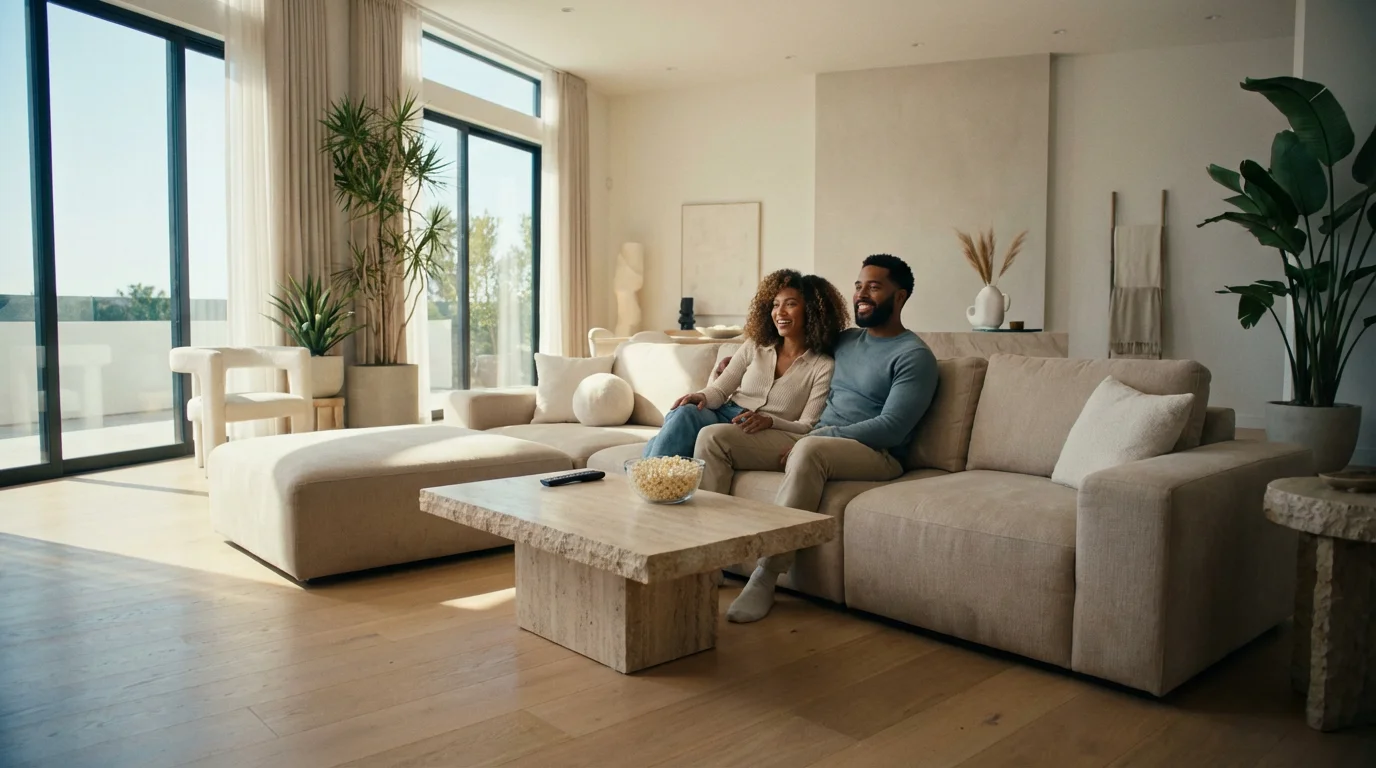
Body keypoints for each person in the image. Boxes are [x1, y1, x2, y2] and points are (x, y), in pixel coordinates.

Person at [694, 254, 939, 623]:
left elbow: (892, 427)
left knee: (809, 449)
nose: (862, 294)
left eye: (874, 287)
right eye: (859, 285)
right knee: (714, 438)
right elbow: (790, 343)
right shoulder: (844, 341)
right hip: (814, 439)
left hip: (875, 453)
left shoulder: (914, 356)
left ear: (900, 296)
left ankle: (765, 576)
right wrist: (732, 366)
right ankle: (708, 558)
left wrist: (818, 435)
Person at [641, 270, 848, 459]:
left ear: (812, 312)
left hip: (754, 430)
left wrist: (770, 421)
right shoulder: (756, 346)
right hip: (724, 412)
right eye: (775, 304)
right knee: (685, 410)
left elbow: (807, 425)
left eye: (790, 304)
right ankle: (651, 476)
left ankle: (646, 472)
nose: (780, 312)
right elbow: (721, 390)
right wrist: (702, 396)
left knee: (679, 434)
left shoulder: (823, 366)